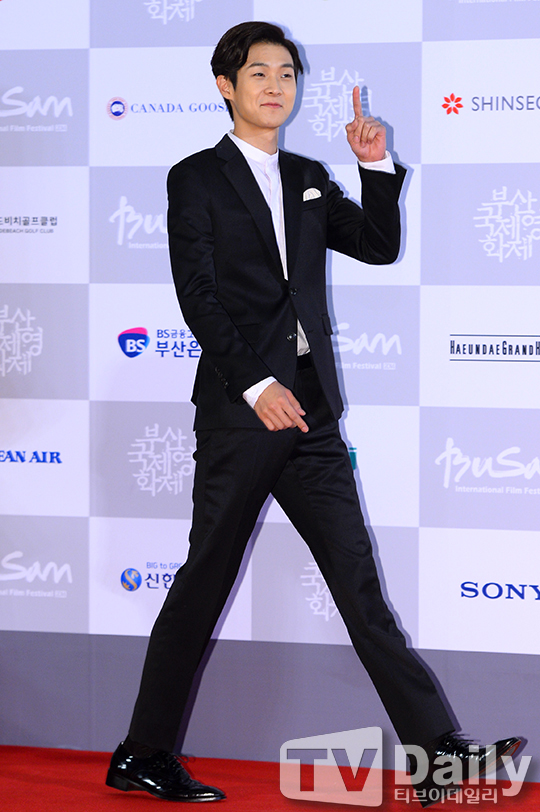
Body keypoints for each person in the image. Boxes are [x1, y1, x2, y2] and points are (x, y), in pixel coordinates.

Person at [106, 21, 520, 807]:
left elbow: (378, 245)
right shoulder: (195, 177)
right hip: (244, 411)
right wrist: (257, 385)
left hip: (313, 412)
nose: (276, 85)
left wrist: (375, 166)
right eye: (258, 73)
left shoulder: (306, 174)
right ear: (226, 85)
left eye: (287, 73)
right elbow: (198, 296)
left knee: (360, 587)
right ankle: (142, 753)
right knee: (203, 583)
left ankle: (438, 754)